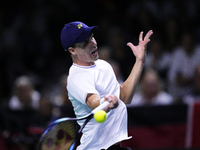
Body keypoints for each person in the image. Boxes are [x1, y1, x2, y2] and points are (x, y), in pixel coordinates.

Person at [60, 21, 153, 150]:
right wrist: (106, 103)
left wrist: (139, 61)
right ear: (72, 50)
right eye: (85, 43)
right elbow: (94, 102)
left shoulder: (103, 65)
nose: (93, 43)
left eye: (92, 37)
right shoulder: (76, 77)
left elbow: (125, 96)